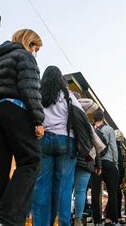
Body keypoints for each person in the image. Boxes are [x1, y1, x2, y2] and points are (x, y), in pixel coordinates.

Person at [0, 29, 44, 225]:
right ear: (30, 43)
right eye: (36, 48)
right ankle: (6, 217)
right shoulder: (24, 56)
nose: (35, 53)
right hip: (14, 109)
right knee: (30, 160)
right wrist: (38, 120)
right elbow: (30, 89)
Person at [31, 66, 82, 226]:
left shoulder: (38, 94)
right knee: (64, 187)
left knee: (42, 186)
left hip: (43, 140)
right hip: (66, 142)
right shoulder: (68, 95)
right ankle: (64, 223)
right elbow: (81, 118)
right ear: (61, 79)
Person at [91, 110, 119, 225]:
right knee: (112, 192)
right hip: (108, 163)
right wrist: (116, 164)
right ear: (103, 119)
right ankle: (114, 220)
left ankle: (97, 221)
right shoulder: (109, 129)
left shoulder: (91, 129)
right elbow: (113, 147)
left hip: (95, 164)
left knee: (95, 193)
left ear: (94, 119)